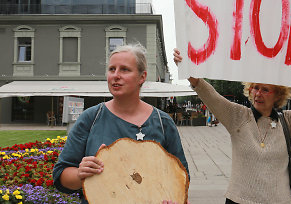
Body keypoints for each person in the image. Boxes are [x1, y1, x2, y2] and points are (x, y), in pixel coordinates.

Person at [173, 48, 291, 204]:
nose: (258, 93)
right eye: (255, 88)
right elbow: (211, 95)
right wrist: (188, 71)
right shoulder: (238, 116)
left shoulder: (288, 121)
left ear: (278, 95)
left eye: (265, 89)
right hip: (239, 200)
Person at [53, 44, 189, 204]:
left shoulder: (163, 121)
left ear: (142, 77)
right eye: (112, 69)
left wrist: (174, 197)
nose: (116, 75)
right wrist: (80, 173)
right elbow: (61, 175)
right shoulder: (90, 118)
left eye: (125, 69)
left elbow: (181, 175)